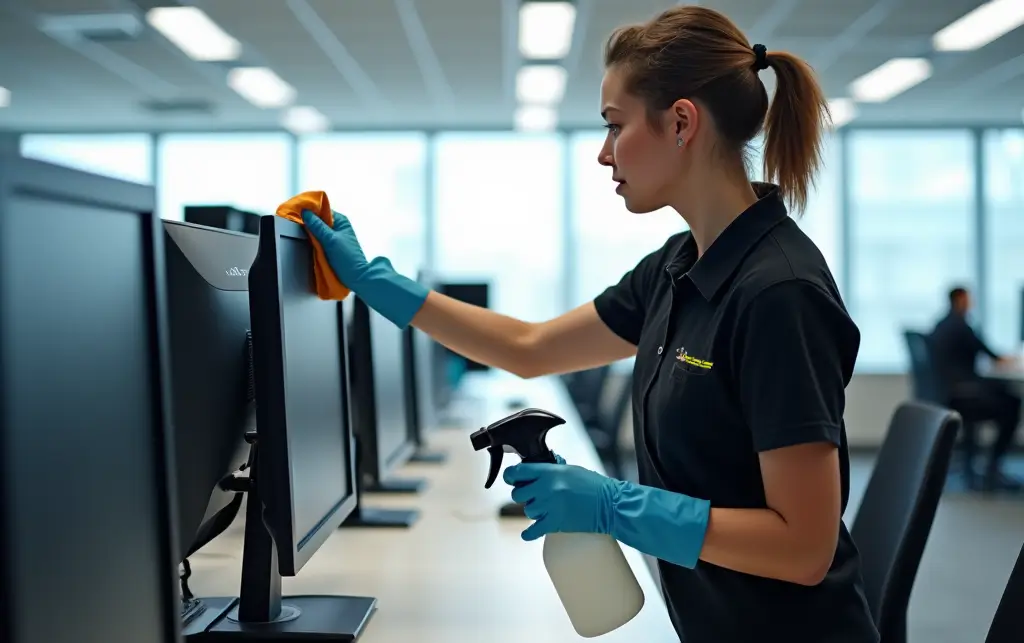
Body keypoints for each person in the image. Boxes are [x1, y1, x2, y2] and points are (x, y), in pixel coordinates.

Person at [301, 5, 878, 642]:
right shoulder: (678, 266)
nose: (604, 154)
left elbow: (803, 549)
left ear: (681, 122)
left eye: (615, 126)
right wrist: (382, 287)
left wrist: (616, 507)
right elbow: (531, 347)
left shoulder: (778, 293)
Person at [930, 286, 1022, 491]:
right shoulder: (961, 326)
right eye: (968, 298)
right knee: (1012, 403)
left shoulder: (942, 324)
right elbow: (989, 353)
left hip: (952, 392)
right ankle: (994, 466)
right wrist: (1008, 360)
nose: (971, 302)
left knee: (1003, 391)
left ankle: (984, 463)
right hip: (964, 395)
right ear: (960, 300)